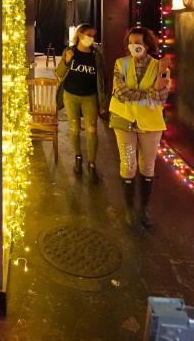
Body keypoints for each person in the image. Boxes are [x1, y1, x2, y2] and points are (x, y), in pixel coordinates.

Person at [108, 27, 171, 228]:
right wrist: (148, 92)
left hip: (151, 125)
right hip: (123, 120)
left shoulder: (160, 67)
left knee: (148, 165)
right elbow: (120, 93)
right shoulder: (121, 64)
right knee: (128, 163)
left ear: (147, 45)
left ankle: (143, 208)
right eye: (132, 42)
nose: (135, 46)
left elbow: (161, 96)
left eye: (140, 43)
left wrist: (160, 74)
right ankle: (129, 208)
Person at [55, 23, 107, 182]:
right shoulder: (70, 51)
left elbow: (102, 79)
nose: (91, 38)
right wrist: (66, 60)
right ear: (79, 35)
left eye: (93, 35)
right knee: (74, 129)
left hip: (89, 96)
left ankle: (91, 164)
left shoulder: (96, 55)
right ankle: (78, 157)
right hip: (70, 95)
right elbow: (59, 73)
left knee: (92, 131)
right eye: (88, 35)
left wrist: (103, 102)